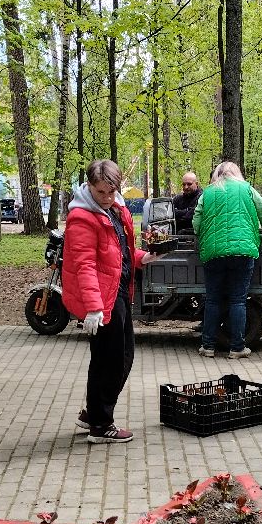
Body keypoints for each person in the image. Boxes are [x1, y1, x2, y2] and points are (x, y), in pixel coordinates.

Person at [61, 159, 155, 443]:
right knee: (114, 360)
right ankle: (102, 426)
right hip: (102, 301)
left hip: (116, 293)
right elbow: (85, 265)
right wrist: (93, 307)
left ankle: (93, 414)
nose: (106, 197)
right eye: (101, 192)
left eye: (111, 192)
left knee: (108, 359)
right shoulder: (81, 218)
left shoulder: (115, 209)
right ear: (89, 186)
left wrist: (144, 258)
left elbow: (122, 253)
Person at [192, 162, 262, 359]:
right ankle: (237, 348)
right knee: (238, 300)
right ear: (237, 173)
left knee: (213, 300)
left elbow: (196, 222)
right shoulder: (247, 189)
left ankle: (208, 346)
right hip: (243, 251)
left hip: (213, 253)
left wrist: (203, 237)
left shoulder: (208, 193)